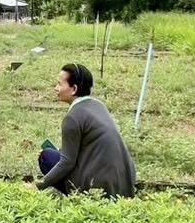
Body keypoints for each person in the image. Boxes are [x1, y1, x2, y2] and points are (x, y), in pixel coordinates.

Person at [36, 62, 136, 198]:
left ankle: (80, 195)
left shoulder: (72, 118)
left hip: (99, 187)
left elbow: (67, 162)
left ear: (74, 89)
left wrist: (38, 185)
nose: (56, 88)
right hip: (125, 183)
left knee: (46, 156)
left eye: (59, 84)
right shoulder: (98, 105)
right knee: (57, 153)